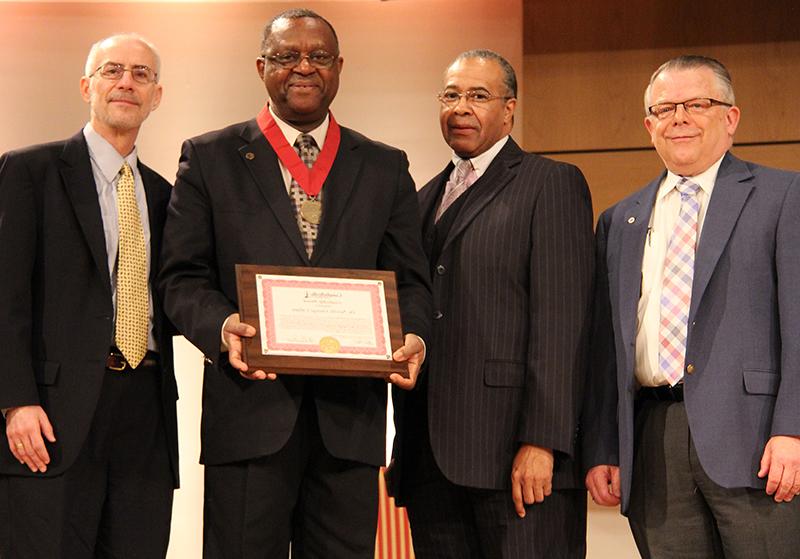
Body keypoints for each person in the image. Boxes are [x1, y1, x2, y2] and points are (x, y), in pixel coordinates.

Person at [158, 8, 431, 559]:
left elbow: (412, 283)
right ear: (262, 67)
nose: (303, 67)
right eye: (286, 56)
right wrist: (222, 327)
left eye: (318, 56)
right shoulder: (209, 158)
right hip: (249, 416)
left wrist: (415, 337)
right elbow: (181, 277)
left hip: (349, 424)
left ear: (339, 68)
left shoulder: (383, 166)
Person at [584, 55, 800, 558]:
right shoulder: (620, 220)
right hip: (653, 440)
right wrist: (604, 448)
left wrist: (793, 428)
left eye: (696, 103)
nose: (678, 117)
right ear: (648, 126)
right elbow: (604, 347)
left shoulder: (783, 195)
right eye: (664, 108)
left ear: (730, 118)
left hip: (757, 441)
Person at [389, 49, 594, 558]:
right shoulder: (419, 200)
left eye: (479, 96)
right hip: (429, 461)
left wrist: (543, 441)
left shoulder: (551, 183)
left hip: (517, 458)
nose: (462, 107)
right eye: (451, 95)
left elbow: (563, 322)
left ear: (509, 109)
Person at [0, 33, 178, 558]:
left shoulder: (166, 194)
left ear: (157, 96)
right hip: (51, 413)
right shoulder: (28, 172)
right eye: (112, 70)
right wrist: (16, 401)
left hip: (145, 411)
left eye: (141, 74)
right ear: (86, 86)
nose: (127, 82)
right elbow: (5, 296)